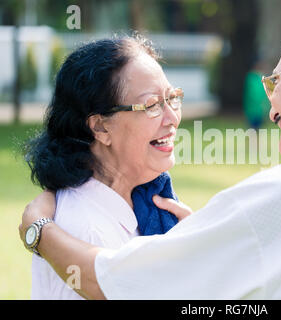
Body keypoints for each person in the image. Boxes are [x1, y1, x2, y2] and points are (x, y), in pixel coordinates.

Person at [19, 17, 281, 299]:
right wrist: (209, 248)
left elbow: (108, 281)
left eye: (275, 81)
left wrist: (38, 229)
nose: (271, 105)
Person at [22, 36, 188, 299]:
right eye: (152, 105)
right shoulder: (86, 232)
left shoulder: (148, 203)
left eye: (172, 98)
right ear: (100, 127)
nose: (172, 118)